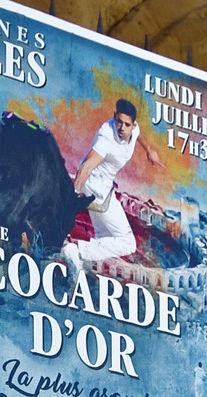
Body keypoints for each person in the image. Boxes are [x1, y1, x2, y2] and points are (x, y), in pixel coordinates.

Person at [64, 96, 149, 268]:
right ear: (114, 116)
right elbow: (87, 165)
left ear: (133, 125)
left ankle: (80, 264)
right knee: (128, 243)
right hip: (95, 187)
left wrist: (149, 151)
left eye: (126, 124)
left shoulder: (133, 130)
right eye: (119, 122)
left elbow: (138, 135)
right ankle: (76, 250)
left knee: (103, 236)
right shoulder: (106, 138)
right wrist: (73, 195)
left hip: (105, 186)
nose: (121, 127)